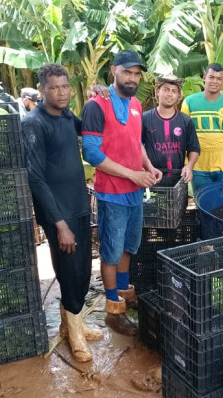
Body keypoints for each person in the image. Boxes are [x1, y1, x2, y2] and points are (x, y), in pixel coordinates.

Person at [22, 64, 103, 362]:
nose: (61, 92)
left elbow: (90, 129)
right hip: (59, 214)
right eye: (54, 87)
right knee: (69, 273)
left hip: (79, 205)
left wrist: (99, 99)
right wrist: (59, 224)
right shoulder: (34, 123)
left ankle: (75, 323)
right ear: (42, 89)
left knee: (82, 271)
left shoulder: (68, 116)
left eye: (65, 87)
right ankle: (75, 335)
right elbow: (36, 178)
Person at [81, 50, 162, 335]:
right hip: (111, 192)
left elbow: (136, 142)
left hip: (135, 192)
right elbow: (91, 152)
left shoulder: (137, 104)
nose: (132, 78)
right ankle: (113, 310)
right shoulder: (97, 105)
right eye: (127, 72)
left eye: (137, 73)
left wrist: (148, 166)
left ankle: (125, 295)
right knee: (111, 251)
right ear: (114, 70)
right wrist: (132, 175)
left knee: (129, 247)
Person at [181, 63, 223, 193]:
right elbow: (183, 135)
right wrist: (186, 164)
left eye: (219, 78)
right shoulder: (189, 102)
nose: (215, 81)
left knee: (222, 207)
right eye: (211, 77)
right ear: (204, 77)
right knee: (202, 205)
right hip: (198, 166)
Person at [141, 75, 200, 182]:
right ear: (158, 91)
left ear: (178, 95)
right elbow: (137, 145)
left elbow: (194, 148)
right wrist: (145, 166)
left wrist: (189, 166)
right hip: (151, 178)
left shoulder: (186, 121)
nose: (170, 94)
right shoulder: (144, 119)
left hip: (178, 179)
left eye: (174, 91)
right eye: (166, 90)